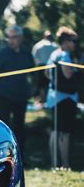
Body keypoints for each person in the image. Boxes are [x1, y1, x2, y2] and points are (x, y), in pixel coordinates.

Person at [0, 25, 34, 155]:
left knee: (19, 126)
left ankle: (20, 156)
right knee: (3, 127)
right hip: (4, 95)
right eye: (10, 37)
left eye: (14, 37)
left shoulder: (27, 53)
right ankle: (2, 156)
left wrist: (33, 89)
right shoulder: (2, 54)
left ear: (21, 38)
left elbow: (33, 73)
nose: (12, 40)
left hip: (21, 96)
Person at [46, 26, 79, 169]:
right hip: (65, 98)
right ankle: (65, 164)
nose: (74, 44)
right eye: (73, 41)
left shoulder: (54, 54)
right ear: (65, 42)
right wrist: (76, 68)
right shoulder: (65, 55)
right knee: (64, 133)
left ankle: (54, 163)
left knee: (55, 130)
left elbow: (47, 73)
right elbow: (68, 74)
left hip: (54, 97)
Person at [32, 30, 58, 103]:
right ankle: (46, 101)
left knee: (42, 86)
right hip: (51, 67)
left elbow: (34, 56)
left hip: (41, 66)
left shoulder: (38, 45)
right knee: (49, 84)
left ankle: (43, 100)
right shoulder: (55, 46)